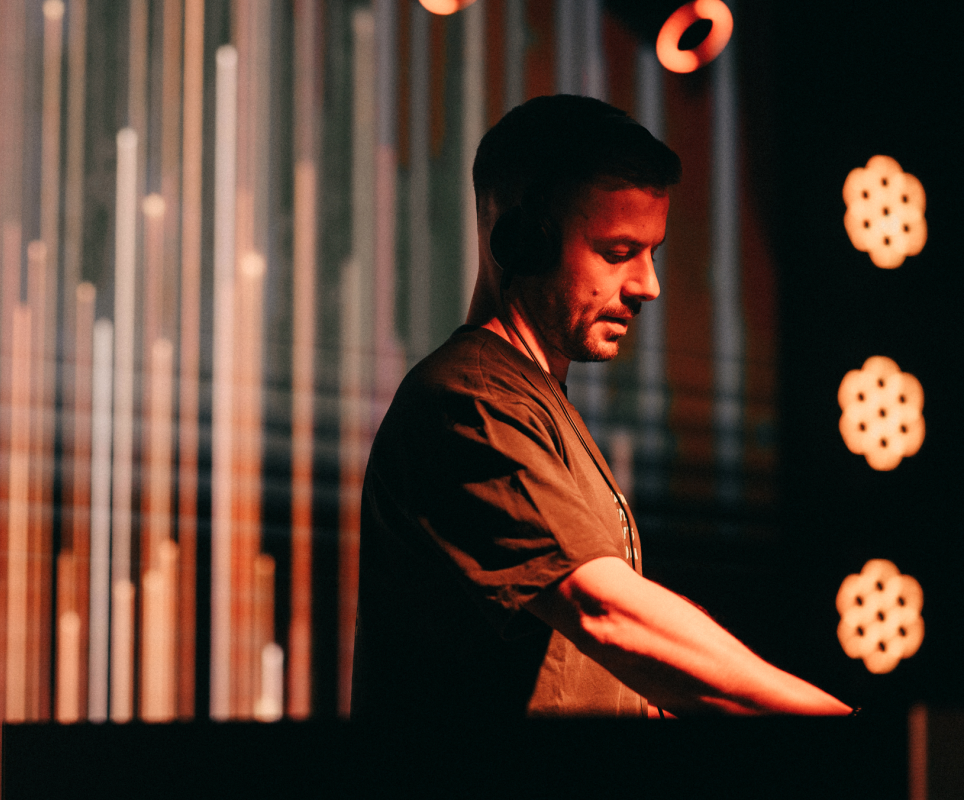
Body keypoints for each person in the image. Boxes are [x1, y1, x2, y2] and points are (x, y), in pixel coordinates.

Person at [351, 95, 850, 721]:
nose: (648, 286)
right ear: (523, 243)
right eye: (617, 253)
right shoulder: (470, 403)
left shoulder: (534, 404)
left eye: (651, 253)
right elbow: (608, 613)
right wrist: (837, 731)